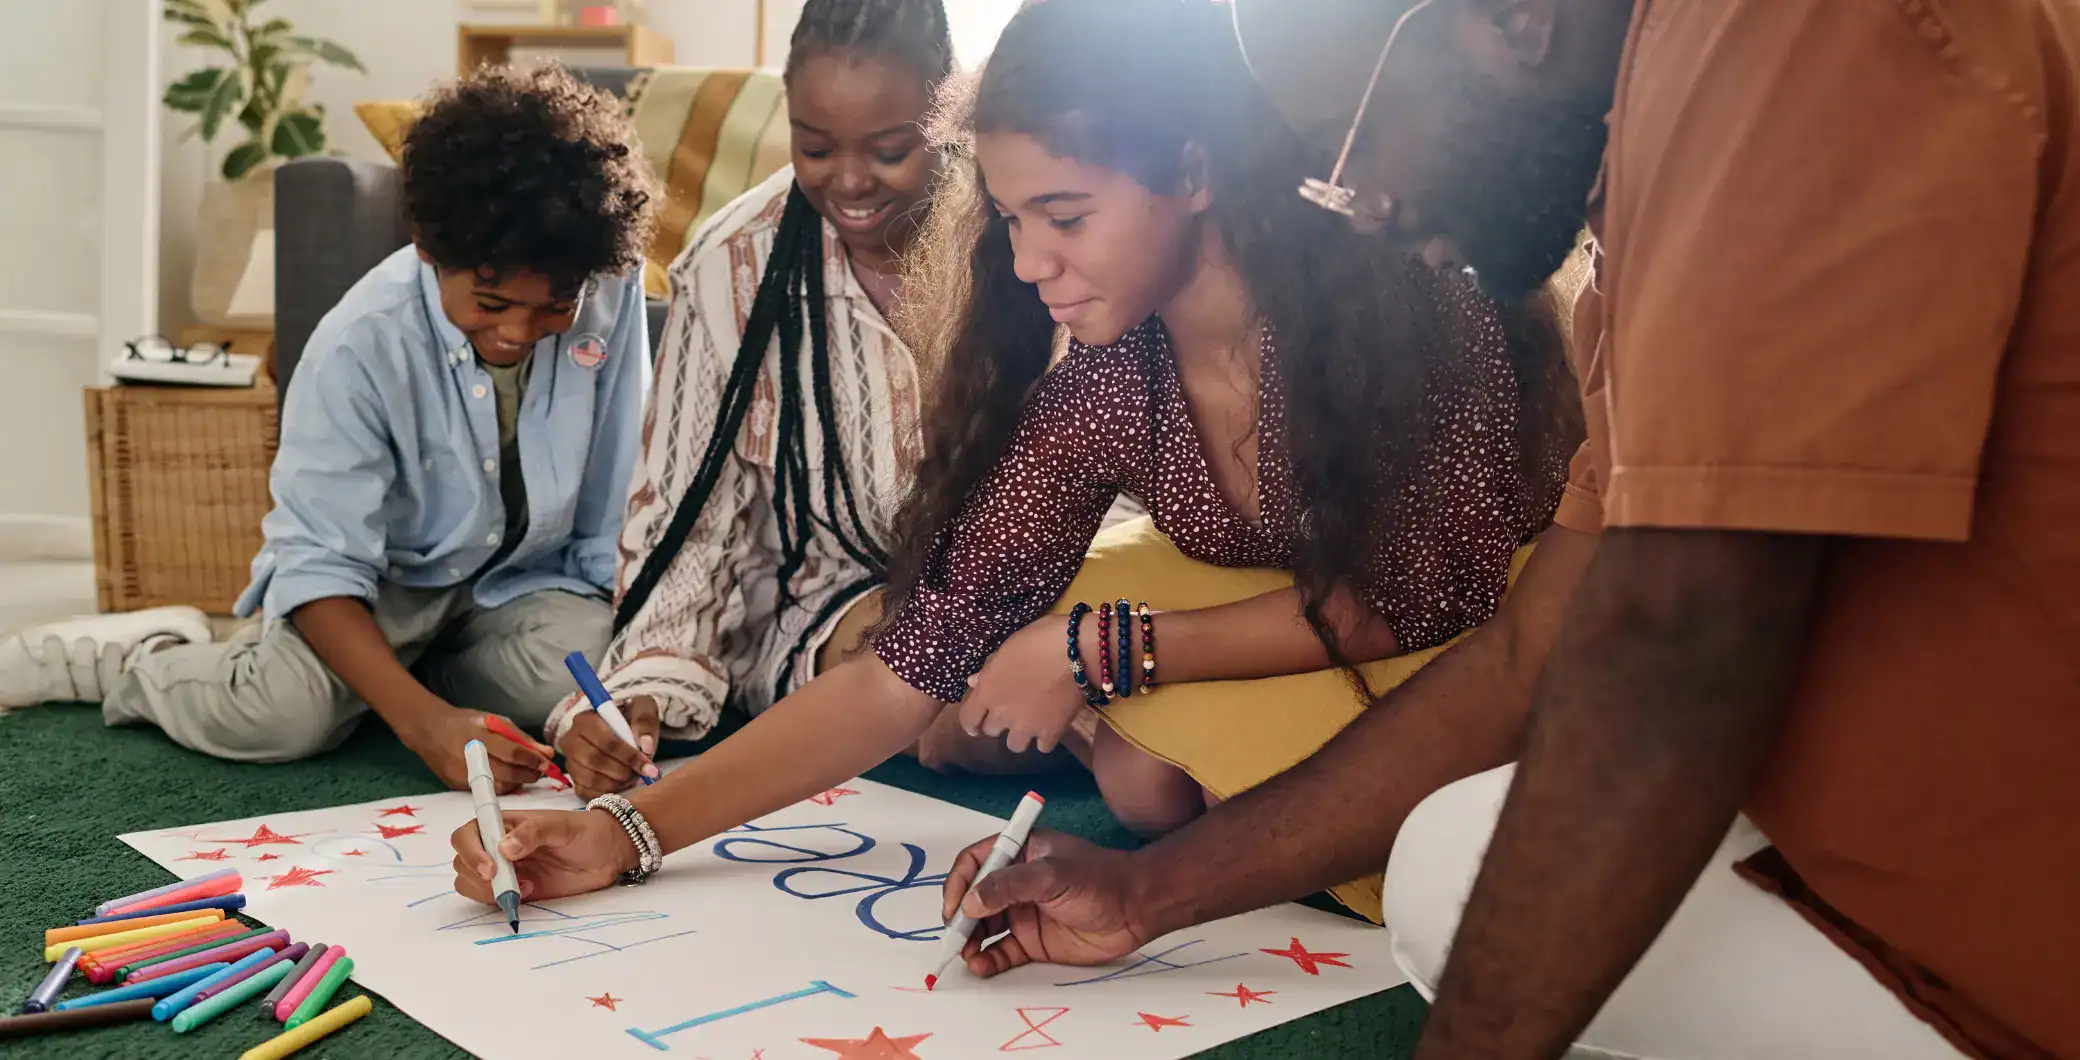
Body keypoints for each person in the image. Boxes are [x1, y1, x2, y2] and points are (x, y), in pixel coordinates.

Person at [931, 1, 2080, 1058]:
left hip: (2005, 936)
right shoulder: (1640, 209)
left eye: (1347, 153)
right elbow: (1539, 652)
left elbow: (1668, 649)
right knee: (1446, 862)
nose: (1364, 215)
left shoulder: (1788, 32)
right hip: (1856, 856)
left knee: (1466, 881)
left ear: (1510, 20)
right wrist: (1144, 894)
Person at [447, 0, 1578, 921]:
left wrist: (1098, 648)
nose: (1030, 261)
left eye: (1065, 215)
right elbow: (905, 673)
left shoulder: (1408, 294)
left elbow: (1427, 593)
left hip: (1509, 616)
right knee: (1137, 779)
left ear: (1193, 171)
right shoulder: (1109, 378)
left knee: (1439, 875)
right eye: (1010, 217)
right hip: (1312, 600)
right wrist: (626, 832)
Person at [0, 64, 654, 793]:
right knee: (286, 717)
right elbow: (316, 565)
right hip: (380, 590)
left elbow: (616, 509)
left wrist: (624, 679)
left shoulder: (608, 290)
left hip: (517, 591)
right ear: (433, 250)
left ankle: (400, 680)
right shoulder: (359, 342)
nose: (518, 331)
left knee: (589, 663)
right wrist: (424, 726)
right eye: (492, 301)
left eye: (553, 308)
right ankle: (148, 656)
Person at [543, 0, 1068, 799]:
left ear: (950, 116)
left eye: (891, 150)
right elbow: (687, 515)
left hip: (1035, 581)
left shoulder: (1022, 223)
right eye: (814, 147)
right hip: (837, 597)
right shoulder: (732, 265)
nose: (850, 181)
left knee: (1111, 732)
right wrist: (643, 690)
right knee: (953, 709)